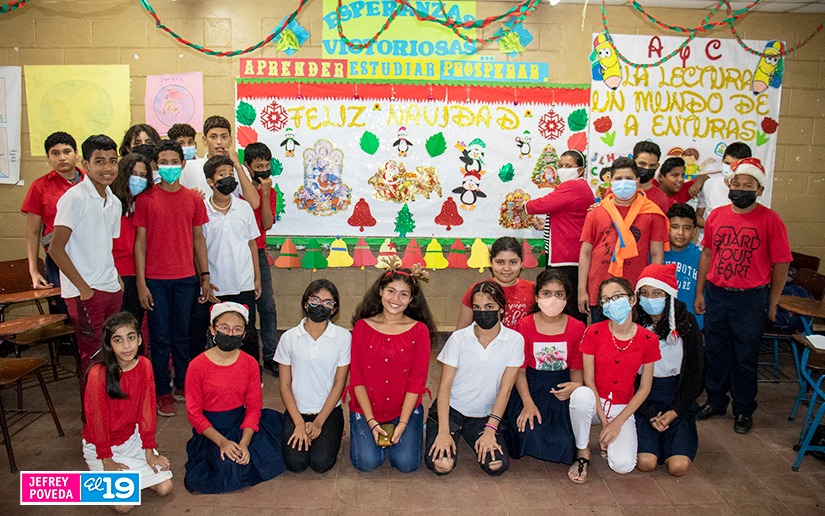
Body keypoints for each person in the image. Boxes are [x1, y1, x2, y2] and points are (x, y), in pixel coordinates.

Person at [694, 157, 792, 434]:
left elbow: (781, 263)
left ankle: (743, 409)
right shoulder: (716, 216)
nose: (741, 189)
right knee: (716, 351)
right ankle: (715, 401)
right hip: (717, 294)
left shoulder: (771, 220)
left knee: (745, 357)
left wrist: (773, 302)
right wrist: (700, 291)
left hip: (750, 298)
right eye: (736, 184)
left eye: (748, 185)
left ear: (759, 190)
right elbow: (707, 254)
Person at [134, 139, 210, 417]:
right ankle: (162, 391)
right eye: (163, 162)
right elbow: (140, 243)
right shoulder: (146, 199)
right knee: (160, 338)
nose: (169, 167)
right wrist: (141, 283)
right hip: (155, 281)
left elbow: (199, 240)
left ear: (183, 163)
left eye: (174, 162)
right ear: (155, 165)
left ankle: (182, 385)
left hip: (186, 279)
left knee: (183, 336)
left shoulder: (193, 199)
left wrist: (204, 276)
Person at [49, 135, 123, 399]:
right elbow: (55, 249)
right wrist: (84, 290)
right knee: (92, 357)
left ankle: (111, 411)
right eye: (99, 161)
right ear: (85, 164)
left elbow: (106, 245)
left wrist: (117, 280)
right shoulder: (74, 198)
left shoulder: (114, 201)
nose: (107, 168)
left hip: (111, 289)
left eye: (112, 161)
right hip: (85, 292)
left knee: (114, 354)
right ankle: (92, 420)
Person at [184, 302, 285, 493]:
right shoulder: (197, 366)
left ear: (244, 335)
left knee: (273, 452)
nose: (230, 334)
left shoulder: (250, 363)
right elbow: (194, 413)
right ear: (212, 330)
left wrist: (244, 443)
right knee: (225, 470)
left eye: (237, 329)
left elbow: (254, 406)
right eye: (224, 328)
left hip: (240, 423)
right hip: (211, 430)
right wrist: (222, 442)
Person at [568, 278, 660, 483]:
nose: (612, 303)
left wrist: (617, 423)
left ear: (632, 299)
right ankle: (583, 451)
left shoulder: (648, 339)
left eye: (617, 297)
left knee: (623, 466)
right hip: (594, 402)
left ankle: (610, 444)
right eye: (606, 300)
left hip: (622, 406)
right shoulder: (593, 332)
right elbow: (588, 380)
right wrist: (604, 422)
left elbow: (645, 388)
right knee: (581, 396)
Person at [426, 281, 523, 476]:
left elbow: (505, 390)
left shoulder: (514, 340)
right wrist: (443, 431)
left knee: (496, 465)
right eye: (477, 308)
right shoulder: (458, 338)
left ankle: (470, 433)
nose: (482, 312)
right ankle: (441, 428)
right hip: (451, 410)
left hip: (484, 415)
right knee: (442, 464)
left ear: (501, 309)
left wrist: (490, 430)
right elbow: (444, 387)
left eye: (489, 307)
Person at [82, 312, 173, 513]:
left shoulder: (144, 365)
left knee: (165, 487)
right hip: (101, 445)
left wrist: (149, 451)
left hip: (131, 440)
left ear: (139, 339)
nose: (126, 346)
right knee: (124, 505)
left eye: (131, 338)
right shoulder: (98, 374)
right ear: (109, 344)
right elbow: (96, 420)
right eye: (118, 340)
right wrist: (106, 459)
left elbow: (147, 410)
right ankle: (90, 482)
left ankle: (124, 479)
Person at [348, 264, 435, 473]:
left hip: (404, 410)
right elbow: (357, 379)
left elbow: (416, 383)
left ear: (411, 299)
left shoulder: (419, 331)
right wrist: (371, 421)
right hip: (367, 409)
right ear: (380, 291)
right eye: (391, 291)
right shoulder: (362, 327)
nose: (396, 299)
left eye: (404, 294)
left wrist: (403, 424)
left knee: (406, 464)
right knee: (367, 463)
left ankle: (410, 427)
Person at [505, 269, 585, 465]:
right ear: (536, 296)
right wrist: (527, 403)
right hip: (531, 388)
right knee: (528, 431)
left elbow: (576, 367)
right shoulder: (524, 325)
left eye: (559, 294)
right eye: (546, 293)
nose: (552, 299)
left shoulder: (577, 327)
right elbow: (520, 370)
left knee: (564, 440)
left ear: (567, 297)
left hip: (561, 390)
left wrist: (575, 387)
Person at [633, 264, 704, 477]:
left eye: (657, 293)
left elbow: (696, 373)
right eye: (645, 293)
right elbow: (627, 376)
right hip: (642, 399)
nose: (650, 299)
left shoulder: (686, 323)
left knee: (678, 467)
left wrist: (675, 411)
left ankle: (674, 441)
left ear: (669, 295)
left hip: (676, 398)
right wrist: (649, 413)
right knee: (646, 462)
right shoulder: (633, 322)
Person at [578, 157, 668, 322]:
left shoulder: (652, 213)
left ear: (637, 181)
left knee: (634, 334)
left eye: (628, 178)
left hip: (634, 290)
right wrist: (581, 290)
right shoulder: (596, 212)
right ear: (611, 182)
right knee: (601, 335)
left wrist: (651, 289)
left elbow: (657, 255)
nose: (623, 182)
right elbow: (585, 253)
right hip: (599, 289)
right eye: (619, 178)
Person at [190, 155, 261, 362]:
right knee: (210, 333)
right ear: (210, 181)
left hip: (243, 283)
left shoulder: (244, 207)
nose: (228, 178)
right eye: (222, 175)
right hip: (215, 285)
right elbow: (198, 248)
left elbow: (252, 244)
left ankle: (251, 373)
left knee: (247, 333)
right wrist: (204, 280)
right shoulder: (202, 208)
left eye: (231, 174)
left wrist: (257, 278)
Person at [274, 280, 350, 473]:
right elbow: (285, 385)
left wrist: (318, 422)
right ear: (305, 302)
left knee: (321, 464)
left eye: (328, 302)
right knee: (295, 464)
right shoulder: (289, 337)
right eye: (315, 300)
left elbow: (339, 384)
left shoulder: (343, 337)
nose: (320, 305)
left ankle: (334, 430)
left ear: (334, 309)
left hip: (328, 411)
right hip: (296, 410)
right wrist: (299, 423)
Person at [514, 150, 593, 323]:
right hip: (567, 254)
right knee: (563, 304)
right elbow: (567, 216)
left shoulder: (574, 186)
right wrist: (546, 225)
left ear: (580, 170)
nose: (563, 169)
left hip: (567, 258)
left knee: (567, 305)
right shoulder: (577, 188)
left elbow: (546, 203)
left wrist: (524, 205)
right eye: (561, 165)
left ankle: (572, 336)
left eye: (568, 166)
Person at [20, 131, 84, 314]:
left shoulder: (91, 181)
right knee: (64, 312)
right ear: (48, 158)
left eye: (67, 151)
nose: (62, 157)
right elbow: (33, 232)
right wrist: (34, 271)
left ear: (76, 154)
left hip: (88, 256)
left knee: (92, 309)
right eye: (55, 153)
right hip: (57, 258)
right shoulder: (39, 186)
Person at [243, 142, 279, 376]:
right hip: (240, 254)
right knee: (246, 307)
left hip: (259, 251)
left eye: (267, 166)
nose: (264, 171)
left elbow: (266, 223)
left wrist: (265, 194)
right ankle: (249, 358)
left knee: (267, 306)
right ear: (247, 166)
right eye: (259, 166)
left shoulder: (270, 192)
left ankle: (271, 355)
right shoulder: (240, 190)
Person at [179, 115, 259, 208]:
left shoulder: (239, 169)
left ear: (230, 140)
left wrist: (237, 166)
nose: (219, 142)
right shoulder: (189, 167)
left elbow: (254, 203)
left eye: (224, 137)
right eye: (213, 137)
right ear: (204, 140)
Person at [111, 153, 153, 324]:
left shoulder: (143, 204)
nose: (138, 180)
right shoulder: (110, 203)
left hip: (139, 275)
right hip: (116, 276)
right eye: (133, 174)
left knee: (134, 325)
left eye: (143, 176)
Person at [456, 237, 534, 329]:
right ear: (491, 263)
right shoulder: (478, 290)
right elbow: (461, 332)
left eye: (513, 262)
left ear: (521, 263)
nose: (506, 268)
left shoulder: (533, 289)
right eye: (500, 262)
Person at [663, 203, 703, 329]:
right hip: (663, 324)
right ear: (666, 228)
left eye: (687, 228)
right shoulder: (656, 255)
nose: (680, 233)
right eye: (675, 227)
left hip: (693, 324)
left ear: (694, 231)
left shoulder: (702, 257)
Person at [695, 142, 752, 230]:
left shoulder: (750, 191)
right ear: (722, 161)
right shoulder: (709, 184)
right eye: (727, 163)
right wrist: (712, 226)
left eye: (735, 165)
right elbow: (698, 216)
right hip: (708, 237)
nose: (730, 168)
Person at [632, 140, 670, 213]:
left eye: (652, 166)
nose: (647, 168)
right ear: (633, 162)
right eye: (642, 164)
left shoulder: (660, 197)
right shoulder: (616, 191)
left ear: (657, 166)